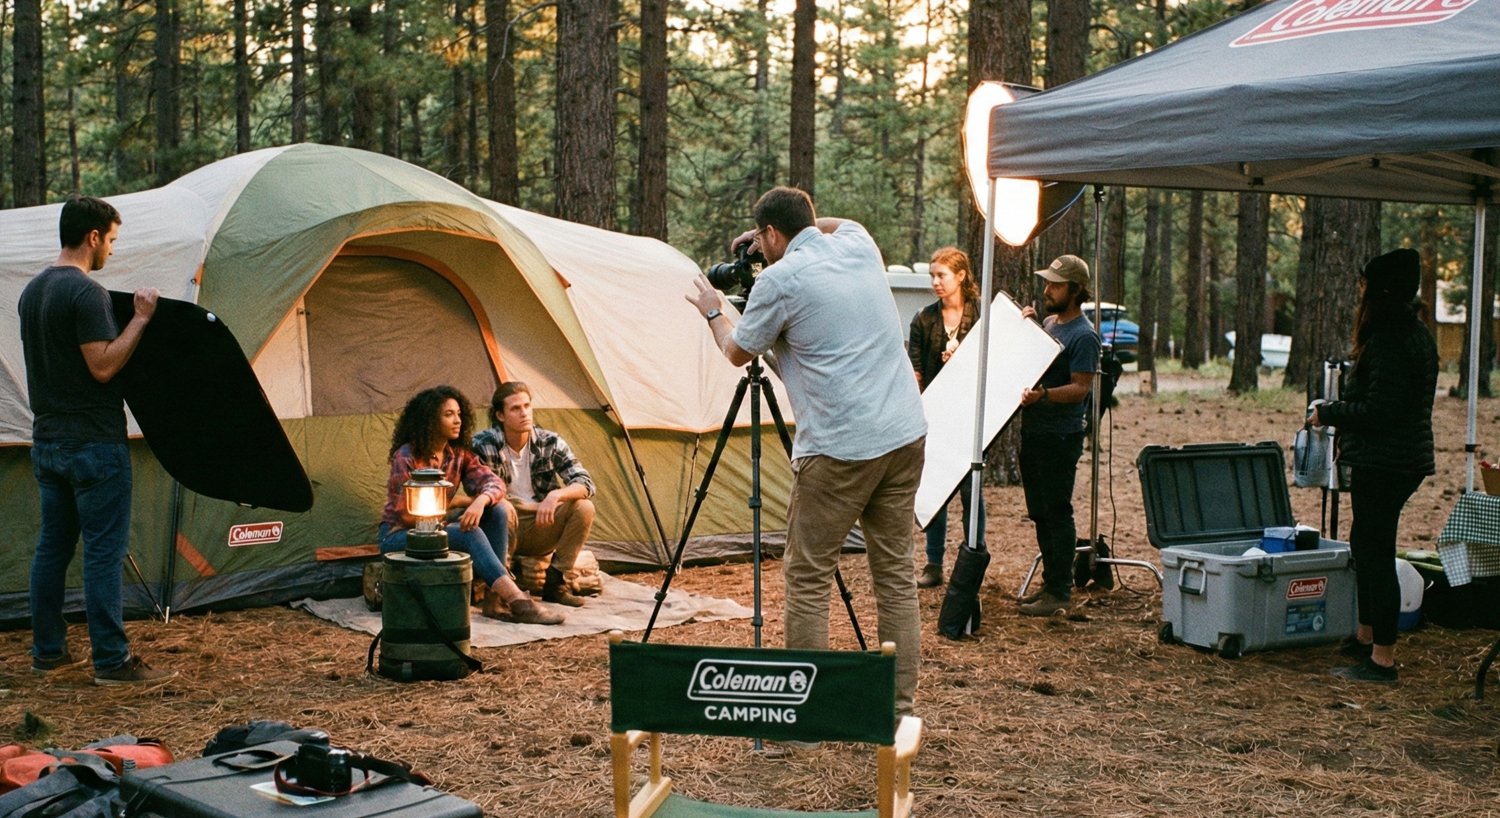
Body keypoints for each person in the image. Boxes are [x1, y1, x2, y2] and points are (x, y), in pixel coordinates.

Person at [685, 186, 927, 716]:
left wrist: (711, 309)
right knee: (895, 575)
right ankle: (900, 709)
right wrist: (774, 233)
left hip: (840, 447)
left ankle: (809, 709)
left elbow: (734, 351)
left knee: (809, 575)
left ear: (771, 234)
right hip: (904, 433)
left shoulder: (780, 280)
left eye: (762, 239)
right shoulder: (859, 245)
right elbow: (831, 224)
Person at [18, 195, 177, 686]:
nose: (110, 249)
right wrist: (142, 318)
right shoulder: (86, 294)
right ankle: (112, 661)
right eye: (110, 240)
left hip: (47, 443)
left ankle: (48, 651)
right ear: (92, 237)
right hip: (94, 447)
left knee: (52, 549)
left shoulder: (33, 292)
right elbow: (103, 365)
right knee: (103, 554)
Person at [1311, 248, 1437, 683]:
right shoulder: (1414, 332)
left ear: (1379, 290)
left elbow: (1381, 410)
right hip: (1399, 458)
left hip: (1388, 460)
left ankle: (1382, 657)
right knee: (1366, 542)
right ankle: (1366, 635)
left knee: (1377, 551)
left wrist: (1329, 413)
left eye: (1364, 286)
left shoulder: (1390, 338)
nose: (1359, 293)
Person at [379, 385, 563, 625]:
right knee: (468, 532)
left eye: (458, 413)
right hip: (400, 535)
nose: (458, 420)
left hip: (437, 528)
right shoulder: (407, 455)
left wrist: (480, 500)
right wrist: (462, 505)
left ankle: (494, 599)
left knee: (497, 510)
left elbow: (494, 483)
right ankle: (518, 601)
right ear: (430, 420)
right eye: (448, 415)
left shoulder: (458, 454)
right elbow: (406, 515)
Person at [1016, 255, 1100, 617]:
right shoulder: (1051, 322)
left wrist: (1044, 397)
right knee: (1039, 512)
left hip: (1061, 436)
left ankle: (1060, 592)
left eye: (1056, 285)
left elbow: (1081, 389)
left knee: (1057, 511)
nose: (1047, 289)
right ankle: (1050, 584)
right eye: (1048, 283)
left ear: (1076, 290)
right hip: (1035, 431)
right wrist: (1030, 327)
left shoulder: (1084, 335)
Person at [472, 381, 596, 607]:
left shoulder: (550, 441)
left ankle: (556, 583)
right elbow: (481, 491)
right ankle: (502, 587)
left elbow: (585, 483)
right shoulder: (484, 444)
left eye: (527, 406)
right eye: (515, 409)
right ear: (500, 415)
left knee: (584, 507)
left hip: (541, 522)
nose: (524, 413)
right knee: (503, 507)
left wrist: (555, 496)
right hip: (501, 525)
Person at [907, 246, 986, 589]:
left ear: (961, 276)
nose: (935, 282)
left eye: (942, 275)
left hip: (973, 417)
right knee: (935, 490)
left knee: (973, 491)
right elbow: (916, 370)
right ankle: (934, 563)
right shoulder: (924, 319)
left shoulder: (984, 316)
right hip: (935, 417)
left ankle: (973, 558)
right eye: (932, 276)